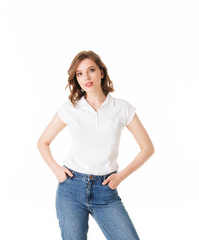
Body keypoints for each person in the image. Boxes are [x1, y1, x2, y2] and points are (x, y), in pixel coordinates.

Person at [37, 50, 154, 240]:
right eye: (80, 73)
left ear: (101, 72)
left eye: (91, 70)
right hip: (71, 189)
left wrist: (120, 176)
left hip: (106, 190)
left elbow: (147, 148)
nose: (86, 77)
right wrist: (58, 171)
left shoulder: (122, 108)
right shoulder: (70, 108)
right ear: (76, 79)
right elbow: (43, 142)